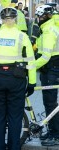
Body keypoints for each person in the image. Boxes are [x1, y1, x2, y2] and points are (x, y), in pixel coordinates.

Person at [0, 7, 36, 150]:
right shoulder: (22, 37)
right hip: (16, 79)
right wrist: (32, 83)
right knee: (15, 117)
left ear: (2, 20)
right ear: (15, 19)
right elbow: (30, 61)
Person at [34, 5, 59, 146]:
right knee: (49, 103)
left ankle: (55, 135)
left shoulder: (49, 31)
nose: (38, 19)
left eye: (39, 16)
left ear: (45, 16)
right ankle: (52, 131)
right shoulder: (46, 28)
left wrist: (30, 67)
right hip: (50, 69)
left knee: (50, 103)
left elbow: (45, 56)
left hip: (51, 69)